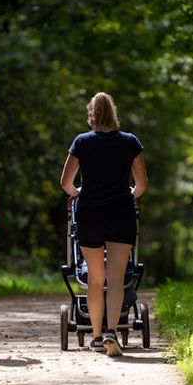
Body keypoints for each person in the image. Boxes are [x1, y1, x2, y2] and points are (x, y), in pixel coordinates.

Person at [60, 91, 148, 356]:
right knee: (116, 278)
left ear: (91, 116)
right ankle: (112, 331)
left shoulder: (81, 142)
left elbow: (66, 183)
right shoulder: (130, 142)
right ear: (114, 114)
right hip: (121, 212)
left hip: (90, 214)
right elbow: (142, 185)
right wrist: (130, 194)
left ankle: (97, 337)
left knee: (96, 279)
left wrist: (78, 194)